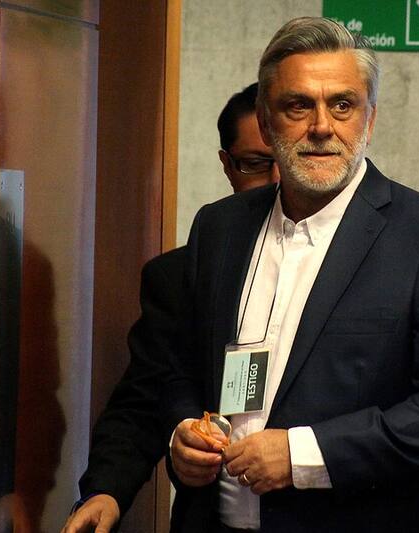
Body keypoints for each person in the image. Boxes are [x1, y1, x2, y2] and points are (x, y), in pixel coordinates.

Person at [165, 17, 419, 533]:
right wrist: (182, 433)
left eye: (342, 105)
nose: (322, 126)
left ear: (370, 119)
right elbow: (183, 366)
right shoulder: (220, 227)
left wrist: (302, 455)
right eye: (298, 105)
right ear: (266, 122)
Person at [61, 83, 277, 533]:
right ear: (228, 166)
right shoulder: (183, 273)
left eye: (287, 161)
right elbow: (144, 398)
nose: (276, 180)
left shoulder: (370, 264)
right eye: (256, 164)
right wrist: (106, 490)